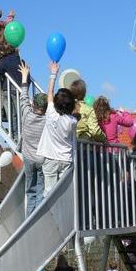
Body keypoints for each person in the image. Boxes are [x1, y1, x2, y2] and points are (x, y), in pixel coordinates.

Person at [36, 62, 77, 195]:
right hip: (66, 159)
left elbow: (49, 92)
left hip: (50, 158)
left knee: (49, 193)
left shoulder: (51, 113)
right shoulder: (72, 121)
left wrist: (53, 73)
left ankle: (49, 215)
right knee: (63, 193)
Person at [18, 62, 47, 215]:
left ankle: (29, 219)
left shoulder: (26, 114)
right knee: (41, 191)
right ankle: (39, 217)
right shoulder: (48, 120)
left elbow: (23, 95)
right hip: (41, 158)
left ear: (33, 104)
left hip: (28, 158)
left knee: (30, 190)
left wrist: (24, 76)